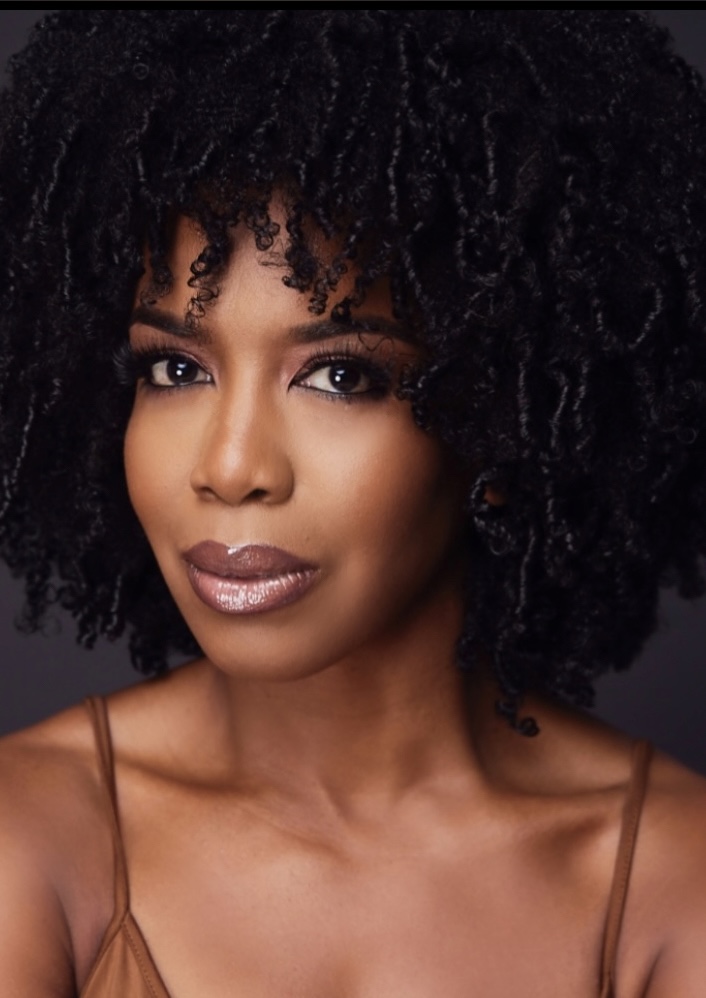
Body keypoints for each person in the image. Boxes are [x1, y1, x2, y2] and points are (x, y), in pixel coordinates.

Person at [1, 9, 706, 996]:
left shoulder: (674, 888)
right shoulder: (32, 835)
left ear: (502, 420)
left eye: (341, 377)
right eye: (175, 368)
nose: (231, 466)